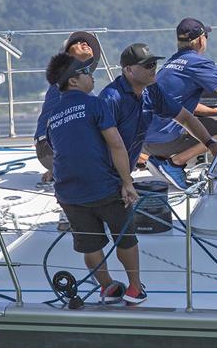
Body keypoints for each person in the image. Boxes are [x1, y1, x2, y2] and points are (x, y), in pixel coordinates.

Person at [44, 52, 145, 306]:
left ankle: (107, 287)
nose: (92, 76)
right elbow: (117, 145)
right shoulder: (95, 104)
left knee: (89, 244)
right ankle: (134, 288)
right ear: (74, 81)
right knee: (125, 237)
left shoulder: (52, 117)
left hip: (68, 194)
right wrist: (127, 183)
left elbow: (61, 152)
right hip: (103, 188)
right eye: (86, 73)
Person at [143, 18, 217, 180]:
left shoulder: (170, 63)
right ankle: (176, 163)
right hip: (163, 141)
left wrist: (214, 112)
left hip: (144, 141)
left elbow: (179, 104)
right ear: (201, 40)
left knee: (213, 119)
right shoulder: (198, 63)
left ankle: (161, 159)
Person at [100, 42, 217, 191]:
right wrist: (125, 182)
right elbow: (105, 145)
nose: (153, 68)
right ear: (129, 70)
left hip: (123, 174)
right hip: (104, 177)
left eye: (154, 63)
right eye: (147, 65)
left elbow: (185, 117)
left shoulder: (151, 90)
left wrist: (210, 143)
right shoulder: (111, 99)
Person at [34, 31, 100, 182]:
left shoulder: (78, 85)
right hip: (51, 151)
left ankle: (59, 169)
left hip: (50, 151)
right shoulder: (64, 82)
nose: (85, 45)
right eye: (76, 44)